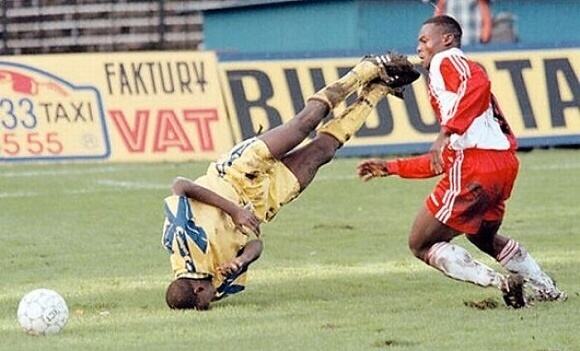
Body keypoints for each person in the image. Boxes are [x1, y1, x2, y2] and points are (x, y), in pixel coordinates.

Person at [161, 53, 420, 310]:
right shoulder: (216, 287)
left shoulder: (181, 241)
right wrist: (242, 262)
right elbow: (256, 245)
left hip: (236, 174)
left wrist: (234, 210)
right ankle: (380, 88)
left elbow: (180, 185)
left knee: (302, 125)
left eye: (205, 303)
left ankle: (365, 69)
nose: (211, 301)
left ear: (198, 290)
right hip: (263, 202)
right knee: (323, 151)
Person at [357, 15, 566, 308]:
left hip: (475, 167)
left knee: (421, 244)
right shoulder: (456, 97)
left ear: (447, 39)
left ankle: (501, 282)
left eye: (423, 39)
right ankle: (546, 288)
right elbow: (440, 162)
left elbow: (476, 80)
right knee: (482, 237)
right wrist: (390, 168)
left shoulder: (448, 60)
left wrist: (447, 129)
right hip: (502, 165)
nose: (419, 47)